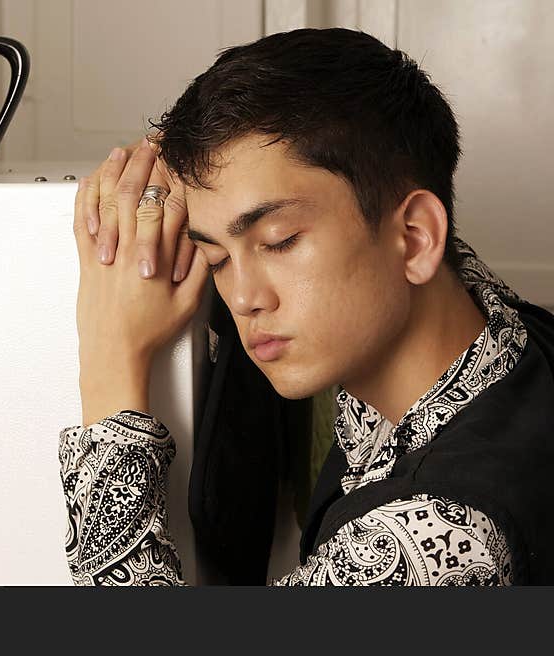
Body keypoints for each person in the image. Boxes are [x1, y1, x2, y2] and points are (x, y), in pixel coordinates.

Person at [57, 28, 554, 585]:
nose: (245, 299)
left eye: (280, 241)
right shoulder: (498, 330)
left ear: (415, 237)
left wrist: (109, 358)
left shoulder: (442, 537)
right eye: (216, 258)